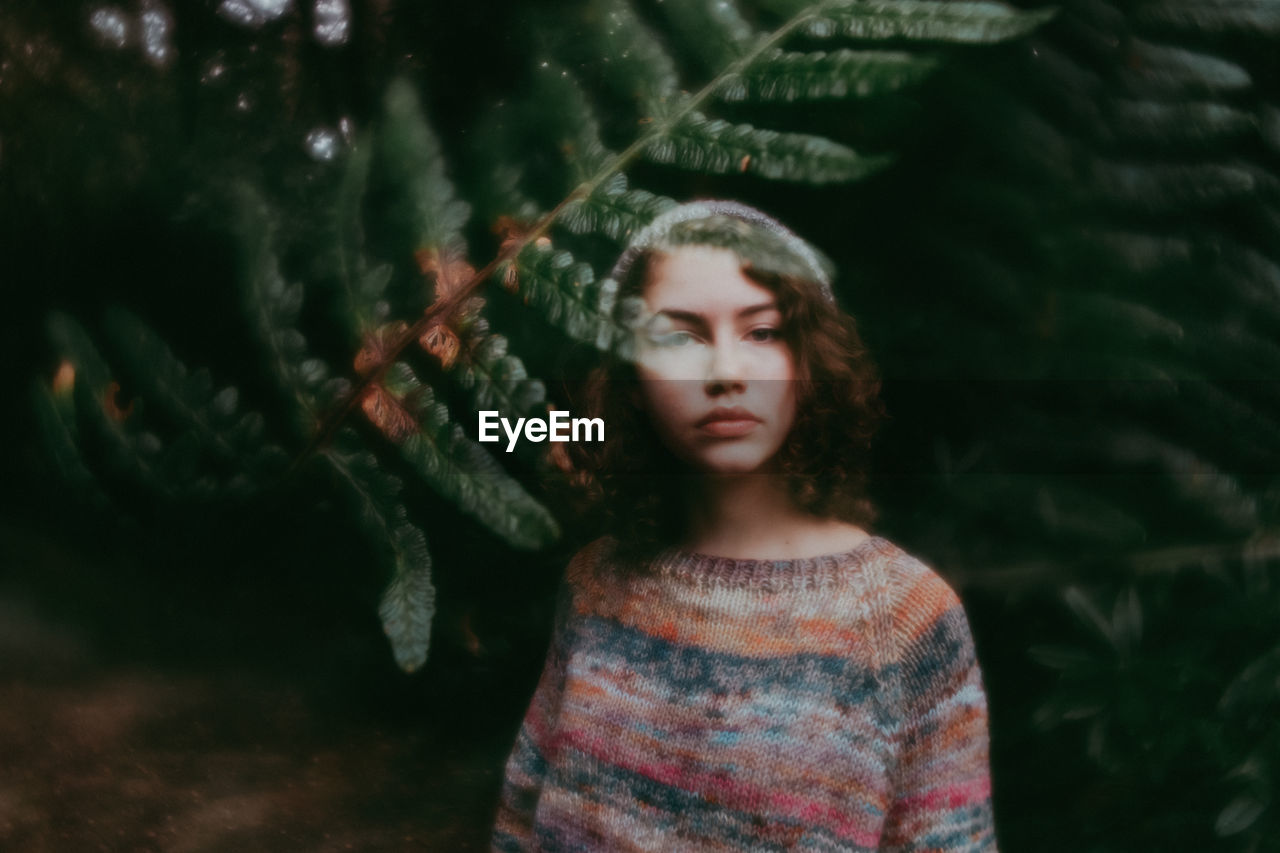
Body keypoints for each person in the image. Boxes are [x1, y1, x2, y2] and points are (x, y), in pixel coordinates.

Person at [489, 200, 997, 852]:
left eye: (762, 332)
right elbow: (519, 819)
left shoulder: (905, 620)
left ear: (809, 362)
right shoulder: (594, 583)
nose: (725, 373)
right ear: (631, 380)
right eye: (679, 336)